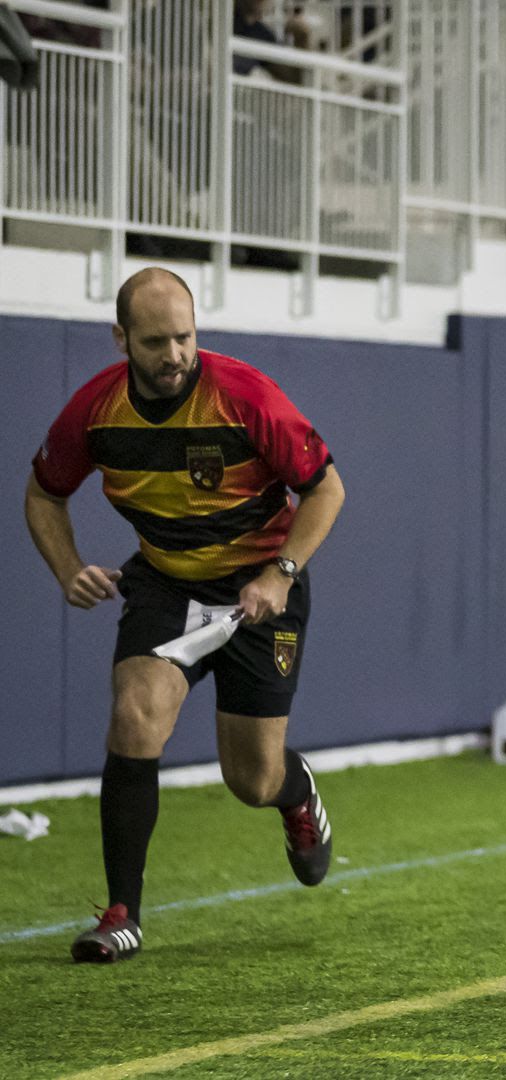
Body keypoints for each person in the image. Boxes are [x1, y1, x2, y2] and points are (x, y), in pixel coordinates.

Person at [25, 268, 345, 963]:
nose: (175, 354)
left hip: (262, 591)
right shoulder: (95, 413)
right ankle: (122, 914)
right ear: (121, 340)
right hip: (167, 586)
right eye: (156, 341)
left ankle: (296, 795)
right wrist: (67, 568)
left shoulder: (243, 396)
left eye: (185, 336)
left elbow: (325, 488)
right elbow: (44, 493)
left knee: (250, 778)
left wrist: (280, 572)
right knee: (134, 715)